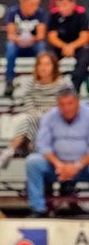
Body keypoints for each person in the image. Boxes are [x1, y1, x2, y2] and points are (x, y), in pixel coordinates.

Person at [0, 51, 65, 170]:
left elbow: (65, 105)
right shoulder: (31, 84)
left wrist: (45, 112)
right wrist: (41, 113)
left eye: (47, 64)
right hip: (35, 121)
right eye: (41, 64)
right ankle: (30, 152)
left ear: (54, 66)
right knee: (30, 119)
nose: (43, 68)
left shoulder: (63, 84)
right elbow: (29, 105)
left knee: (30, 120)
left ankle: (9, 151)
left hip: (57, 121)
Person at [24, 87, 89, 217]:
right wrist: (59, 164)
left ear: (77, 102)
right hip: (56, 166)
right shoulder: (50, 117)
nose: (66, 108)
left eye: (70, 103)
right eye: (62, 104)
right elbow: (42, 145)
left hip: (84, 166)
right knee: (32, 162)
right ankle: (38, 209)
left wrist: (76, 166)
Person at [2, 0, 47, 87]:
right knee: (10, 48)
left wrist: (31, 40)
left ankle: (43, 78)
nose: (35, 7)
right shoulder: (12, 13)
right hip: (18, 44)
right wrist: (19, 40)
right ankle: (9, 80)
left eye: (37, 4)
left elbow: (41, 35)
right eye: (32, 4)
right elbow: (10, 35)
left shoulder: (40, 14)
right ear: (23, 1)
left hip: (33, 44)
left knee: (41, 48)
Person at [47, 0, 88, 96]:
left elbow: (85, 36)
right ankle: (49, 87)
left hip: (77, 46)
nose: (62, 8)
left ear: (73, 3)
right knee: (48, 59)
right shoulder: (54, 15)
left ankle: (75, 87)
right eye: (59, 5)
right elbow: (52, 37)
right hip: (59, 46)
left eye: (65, 5)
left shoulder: (81, 14)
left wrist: (71, 47)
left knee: (85, 57)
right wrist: (65, 46)